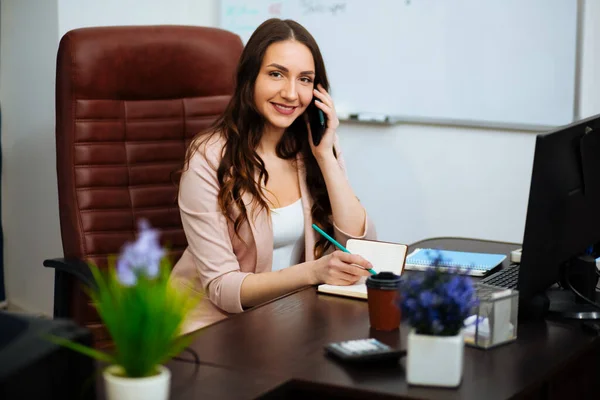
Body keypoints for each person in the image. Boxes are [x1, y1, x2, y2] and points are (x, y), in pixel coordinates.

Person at [171, 18, 377, 333]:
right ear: (249, 77)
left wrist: (325, 156)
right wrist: (314, 272)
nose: (291, 93)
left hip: (287, 321)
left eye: (305, 79)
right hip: (212, 330)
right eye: (276, 74)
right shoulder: (208, 158)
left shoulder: (314, 148)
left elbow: (358, 244)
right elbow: (223, 288)